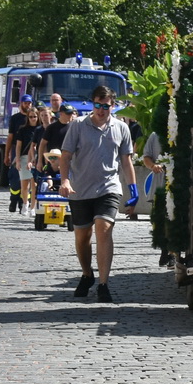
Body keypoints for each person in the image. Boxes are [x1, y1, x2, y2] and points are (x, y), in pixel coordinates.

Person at [60, 86, 138, 302]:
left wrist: (133, 190)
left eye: (106, 106)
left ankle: (104, 283)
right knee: (82, 236)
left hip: (108, 188)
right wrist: (65, 180)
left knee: (104, 230)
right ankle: (87, 274)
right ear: (92, 104)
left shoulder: (121, 128)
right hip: (80, 189)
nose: (101, 110)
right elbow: (65, 156)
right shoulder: (78, 125)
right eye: (98, 105)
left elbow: (126, 161)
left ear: (113, 106)